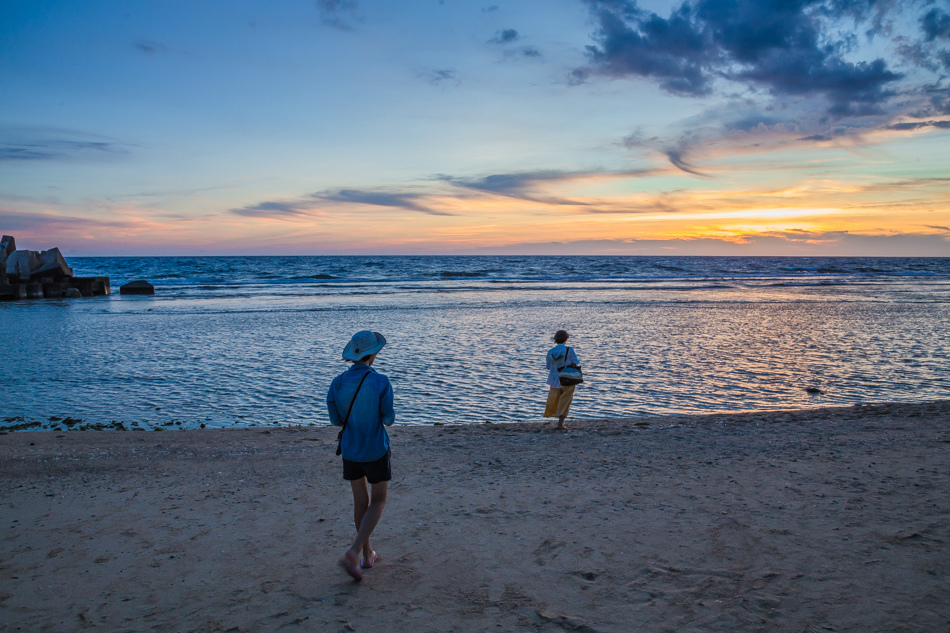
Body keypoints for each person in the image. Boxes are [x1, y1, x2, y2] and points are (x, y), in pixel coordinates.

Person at [327, 330, 395, 581]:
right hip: (375, 449)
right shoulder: (381, 381)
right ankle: (355, 551)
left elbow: (336, 420)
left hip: (351, 450)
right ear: (372, 354)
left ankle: (367, 557)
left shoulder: (337, 382)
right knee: (378, 501)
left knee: (360, 503)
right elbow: (388, 418)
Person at [544, 329, 580, 430]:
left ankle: (556, 420)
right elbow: (575, 363)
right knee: (565, 401)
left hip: (554, 379)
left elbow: (548, 367)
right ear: (566, 339)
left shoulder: (550, 352)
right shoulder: (569, 350)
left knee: (554, 400)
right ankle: (560, 423)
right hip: (567, 378)